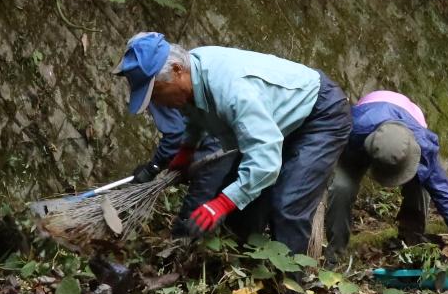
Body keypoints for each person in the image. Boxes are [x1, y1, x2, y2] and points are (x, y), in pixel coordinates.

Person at [114, 35, 350, 256]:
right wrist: (187, 149)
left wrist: (221, 203)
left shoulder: (232, 91)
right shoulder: (190, 74)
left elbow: (265, 163)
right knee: (242, 213)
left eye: (156, 93)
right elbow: (195, 116)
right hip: (274, 121)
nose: (157, 102)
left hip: (320, 115)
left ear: (177, 71)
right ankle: (246, 284)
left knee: (287, 206)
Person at [322, 90, 448, 256]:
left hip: (407, 117)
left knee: (421, 185)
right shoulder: (351, 129)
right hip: (364, 129)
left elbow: (443, 193)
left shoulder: (423, 144)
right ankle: (335, 254)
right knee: (340, 187)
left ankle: (411, 240)